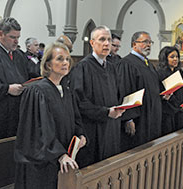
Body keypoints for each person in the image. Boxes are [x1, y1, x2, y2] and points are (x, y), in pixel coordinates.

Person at [14, 42, 86, 189]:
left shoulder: (67, 91)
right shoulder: (36, 91)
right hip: (42, 164)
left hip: (63, 160)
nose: (65, 63)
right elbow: (37, 131)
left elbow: (76, 119)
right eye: (60, 59)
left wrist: (81, 134)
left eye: (67, 59)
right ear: (48, 65)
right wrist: (59, 154)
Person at [69, 26, 125, 168]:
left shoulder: (112, 67)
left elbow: (117, 94)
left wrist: (121, 107)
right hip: (92, 130)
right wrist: (106, 112)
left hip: (111, 128)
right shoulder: (82, 67)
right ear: (92, 43)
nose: (107, 43)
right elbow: (79, 102)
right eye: (102, 39)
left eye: (109, 40)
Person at [117, 31, 162, 152]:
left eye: (150, 42)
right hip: (139, 118)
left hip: (152, 115)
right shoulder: (127, 63)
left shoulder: (148, 64)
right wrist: (128, 118)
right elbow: (125, 91)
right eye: (145, 42)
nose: (148, 45)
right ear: (134, 44)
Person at [157, 46, 183, 135]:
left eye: (177, 57)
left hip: (179, 110)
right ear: (165, 58)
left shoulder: (178, 73)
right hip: (168, 112)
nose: (175, 59)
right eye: (172, 57)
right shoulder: (160, 74)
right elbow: (161, 94)